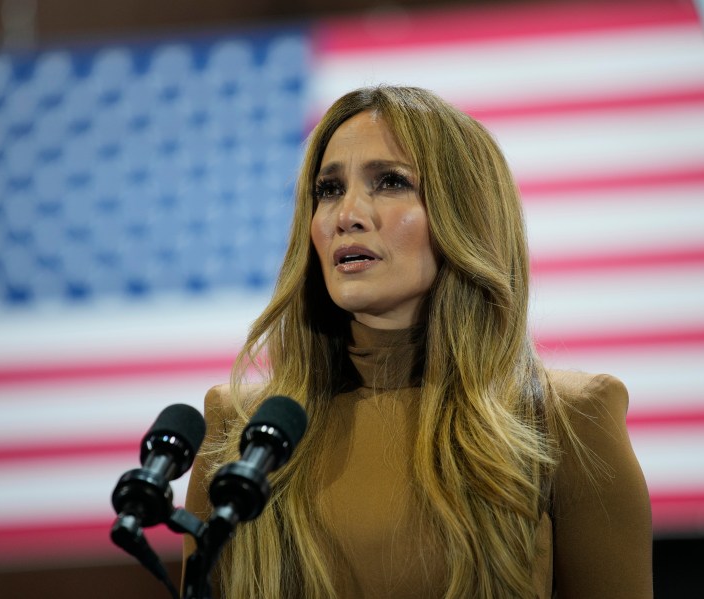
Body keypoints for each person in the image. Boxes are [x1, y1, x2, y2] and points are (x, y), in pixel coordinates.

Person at [183, 85, 653, 599]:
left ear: (466, 214)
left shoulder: (567, 421)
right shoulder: (244, 433)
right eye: (329, 189)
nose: (348, 215)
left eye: (389, 182)